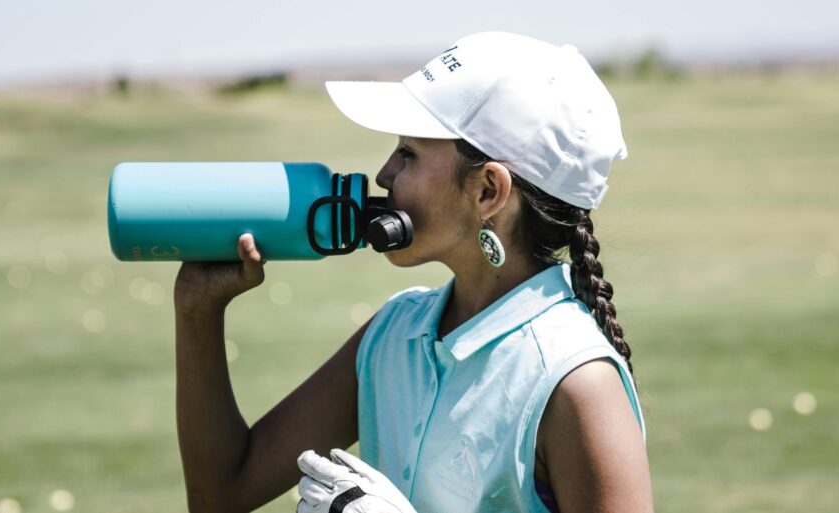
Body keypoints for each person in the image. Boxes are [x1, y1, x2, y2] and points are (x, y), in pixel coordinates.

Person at [172, 31, 653, 513]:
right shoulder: (392, 334)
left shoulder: (578, 381)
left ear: (488, 191)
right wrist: (198, 309)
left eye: (409, 153)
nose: (383, 175)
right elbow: (221, 493)